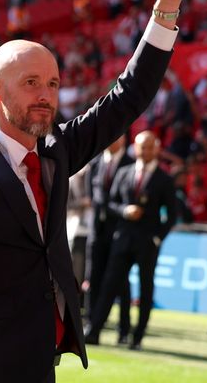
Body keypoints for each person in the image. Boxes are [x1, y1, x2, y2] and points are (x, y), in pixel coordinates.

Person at [0, 0, 187, 382]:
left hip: (43, 357)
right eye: (32, 83)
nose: (45, 96)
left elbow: (128, 97)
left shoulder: (58, 150)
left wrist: (165, 10)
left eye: (53, 84)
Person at [85, 131, 177, 350]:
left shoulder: (164, 179)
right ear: (135, 148)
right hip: (122, 239)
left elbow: (172, 215)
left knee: (145, 290)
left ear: (156, 149)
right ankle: (94, 330)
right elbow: (111, 203)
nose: (145, 151)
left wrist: (157, 238)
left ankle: (137, 336)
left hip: (147, 242)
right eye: (141, 147)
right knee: (109, 285)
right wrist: (125, 211)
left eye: (149, 147)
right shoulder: (125, 172)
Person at [83, 135, 133, 340]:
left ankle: (124, 327)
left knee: (120, 281)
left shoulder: (131, 164)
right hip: (97, 230)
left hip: (119, 232)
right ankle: (91, 323)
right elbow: (91, 196)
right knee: (93, 276)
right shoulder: (95, 163)